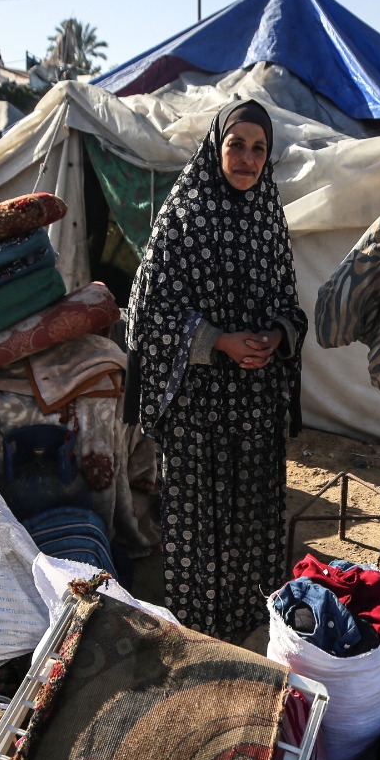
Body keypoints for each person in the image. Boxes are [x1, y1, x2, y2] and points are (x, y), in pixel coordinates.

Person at [123, 100, 307, 641]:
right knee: (198, 518)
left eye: (258, 149)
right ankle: (199, 630)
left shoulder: (270, 218)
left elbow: (291, 307)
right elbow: (146, 311)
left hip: (255, 402)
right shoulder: (184, 215)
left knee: (252, 514)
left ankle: (252, 619)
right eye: (237, 145)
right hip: (197, 405)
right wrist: (219, 341)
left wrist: (277, 336)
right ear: (216, 146)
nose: (247, 159)